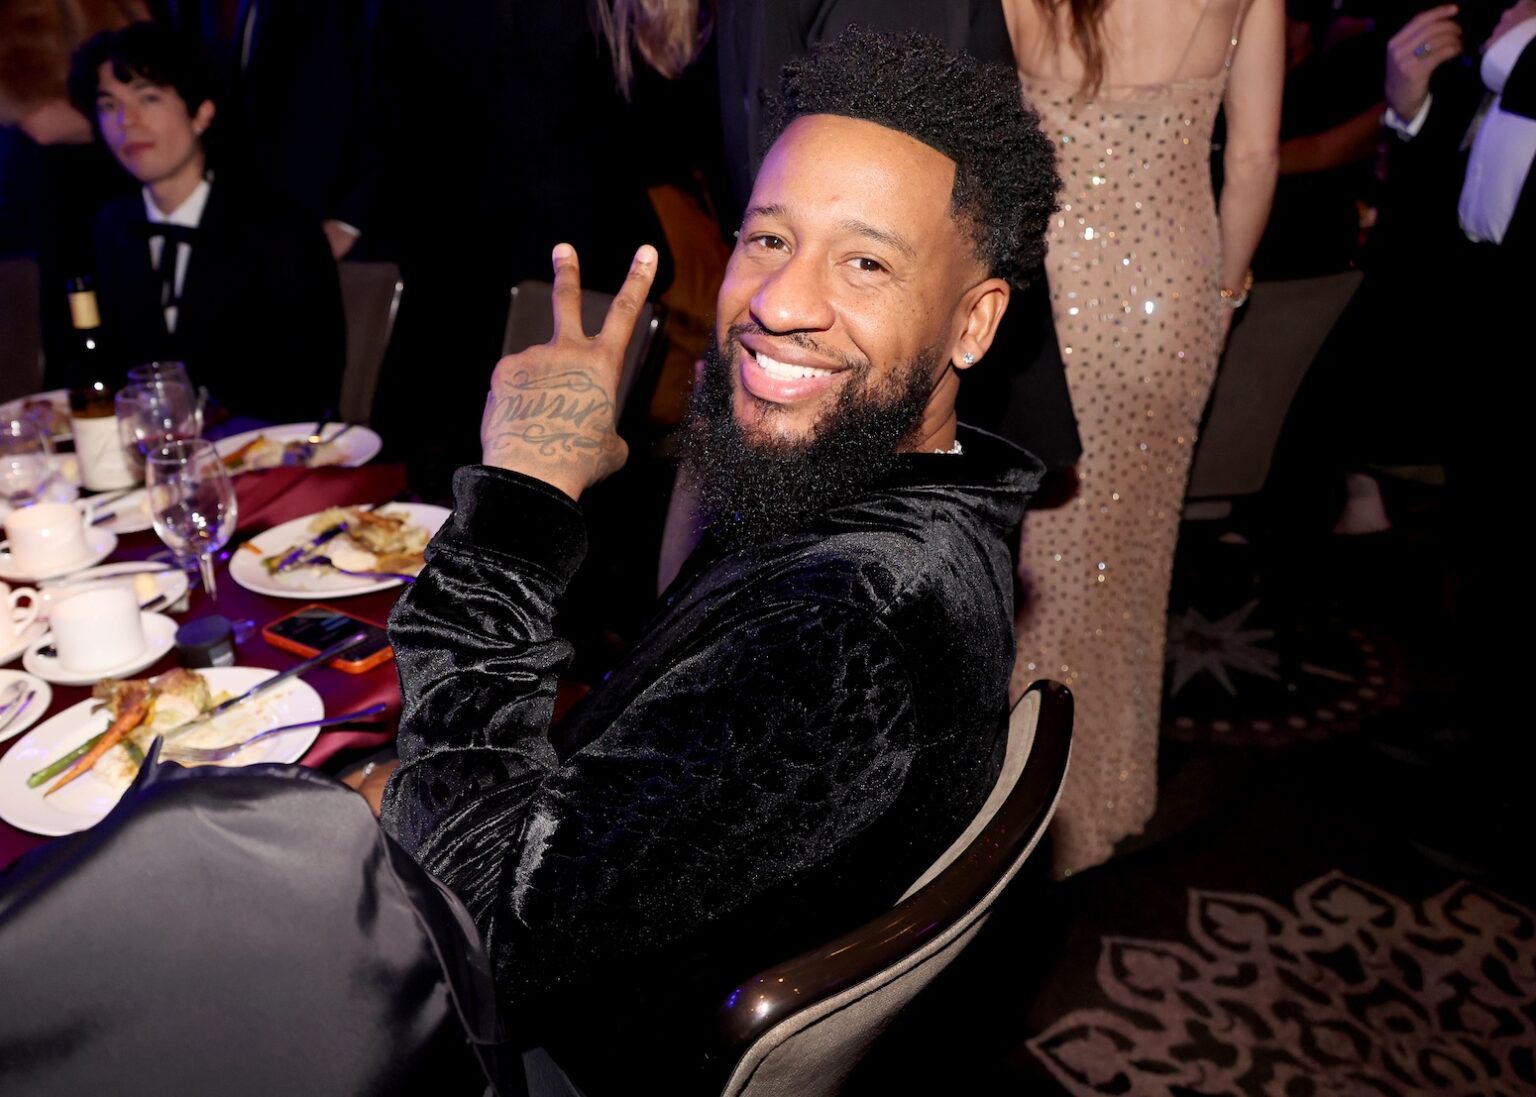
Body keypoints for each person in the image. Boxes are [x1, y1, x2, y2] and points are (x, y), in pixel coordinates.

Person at [379, 25, 1057, 1089]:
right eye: (769, 239)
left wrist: (521, 495)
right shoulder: (891, 493)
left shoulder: (844, 636)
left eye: (867, 261)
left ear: (974, 323)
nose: (778, 305)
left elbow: (476, 942)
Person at [1001, 0, 1283, 874]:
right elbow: (1254, 157)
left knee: (1026, 561)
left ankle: (1005, 812)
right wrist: (1224, 298)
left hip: (1041, 302)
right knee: (1129, 555)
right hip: (1174, 290)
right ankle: (1107, 789)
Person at [65, 21, 343, 419]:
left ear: (202, 112)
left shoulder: (278, 230)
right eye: (109, 105)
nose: (126, 120)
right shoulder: (110, 227)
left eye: (149, 99)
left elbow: (310, 384)